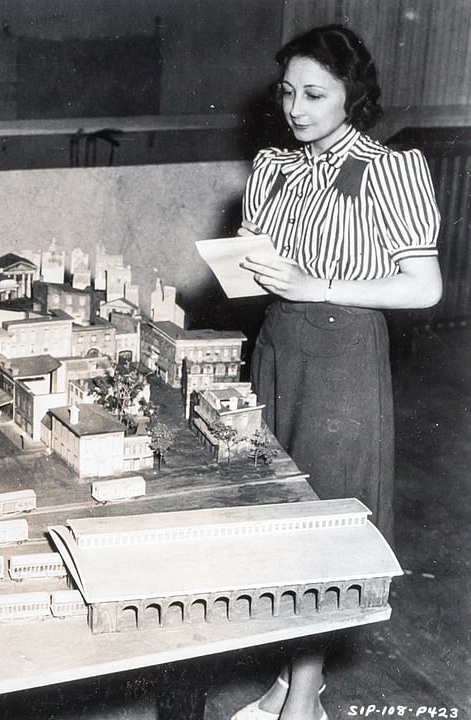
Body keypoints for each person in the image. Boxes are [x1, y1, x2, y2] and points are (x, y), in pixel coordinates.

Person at [232, 24, 441, 720]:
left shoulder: (389, 169)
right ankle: (295, 680)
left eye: (316, 94)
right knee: (277, 518)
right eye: (289, 92)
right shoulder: (273, 167)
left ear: (353, 96)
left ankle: (304, 693)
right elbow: (267, 271)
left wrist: (316, 283)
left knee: (321, 522)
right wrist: (243, 263)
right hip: (277, 348)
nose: (297, 108)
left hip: (342, 355)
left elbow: (424, 287)